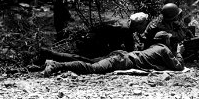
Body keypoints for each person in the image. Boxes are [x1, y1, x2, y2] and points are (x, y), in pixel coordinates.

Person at [43, 31, 185, 77]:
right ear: (166, 40)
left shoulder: (154, 47)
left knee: (89, 61)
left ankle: (52, 57)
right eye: (169, 39)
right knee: (92, 69)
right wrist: (179, 53)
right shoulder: (164, 49)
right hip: (123, 60)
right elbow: (178, 67)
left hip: (121, 56)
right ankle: (55, 65)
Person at [36, 12, 149, 64]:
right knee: (84, 61)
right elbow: (120, 48)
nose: (145, 26)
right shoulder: (125, 29)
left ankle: (47, 55)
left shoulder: (126, 24)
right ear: (138, 24)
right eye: (145, 24)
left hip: (93, 40)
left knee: (80, 59)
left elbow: (128, 47)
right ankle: (48, 54)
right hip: (92, 43)